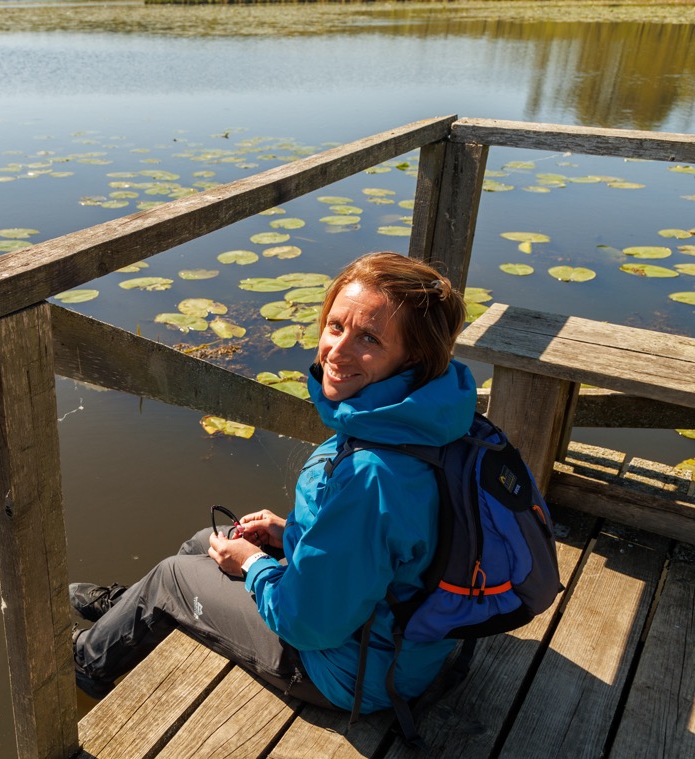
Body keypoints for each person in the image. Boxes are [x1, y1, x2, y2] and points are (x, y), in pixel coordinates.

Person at [71, 251, 477, 714]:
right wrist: (292, 534)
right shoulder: (426, 418)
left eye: (369, 338)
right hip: (399, 636)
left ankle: (88, 660)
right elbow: (390, 546)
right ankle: (132, 611)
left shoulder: (374, 474)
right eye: (336, 326)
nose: (338, 352)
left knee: (173, 577)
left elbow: (308, 623)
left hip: (352, 670)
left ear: (414, 357)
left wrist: (254, 566)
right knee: (208, 541)